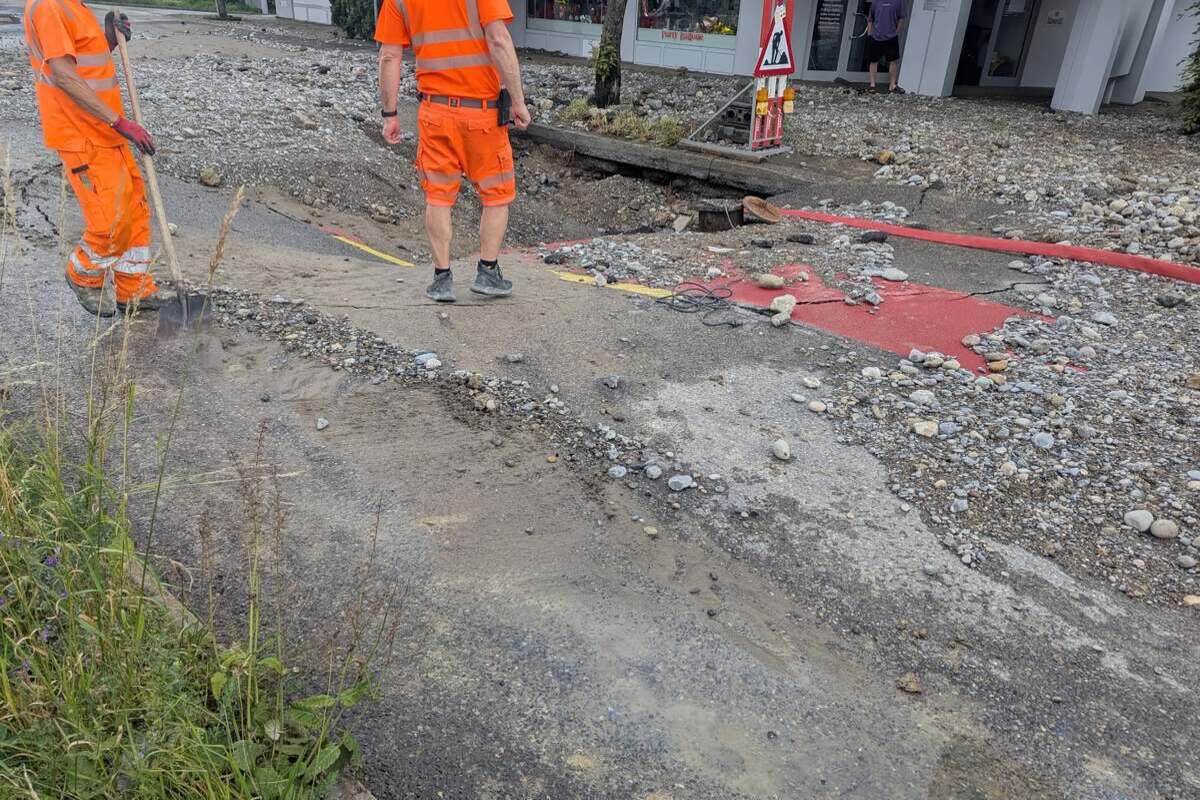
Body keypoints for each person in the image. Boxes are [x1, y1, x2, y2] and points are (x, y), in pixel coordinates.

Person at [22, 0, 173, 317]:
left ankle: (133, 290)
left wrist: (107, 39)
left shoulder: (74, 5)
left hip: (105, 129)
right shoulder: (49, 6)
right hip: (82, 133)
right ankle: (82, 275)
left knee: (134, 210)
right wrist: (120, 122)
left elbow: (84, 63)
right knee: (110, 222)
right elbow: (63, 74)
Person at [375, 0, 531, 303]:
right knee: (496, 194)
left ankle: (442, 278)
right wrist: (518, 101)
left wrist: (390, 114)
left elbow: (389, 56)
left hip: (435, 114)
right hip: (481, 115)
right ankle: (488, 272)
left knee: (438, 195)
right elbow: (498, 39)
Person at [866, 0, 906, 94]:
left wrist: (896, 32)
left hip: (891, 37)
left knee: (893, 61)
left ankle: (892, 85)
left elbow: (901, 18)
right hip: (876, 37)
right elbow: (870, 19)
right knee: (873, 61)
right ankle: (872, 85)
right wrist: (869, 35)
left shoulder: (898, 2)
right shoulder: (875, 2)